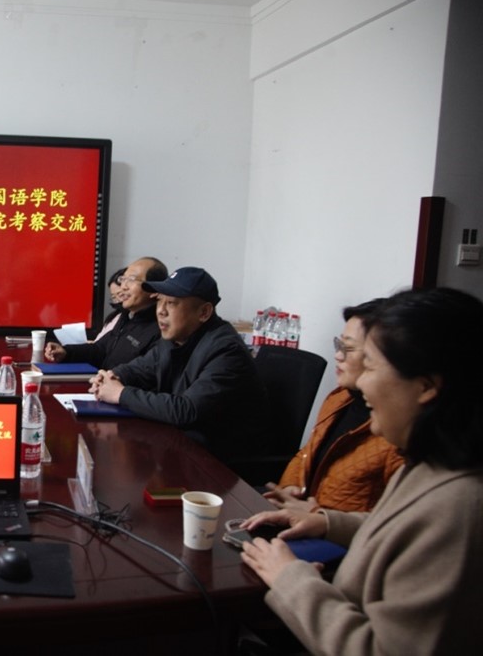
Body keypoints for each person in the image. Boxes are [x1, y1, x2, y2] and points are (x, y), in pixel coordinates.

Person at [240, 287, 483, 655]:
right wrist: (327, 522)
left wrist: (291, 580)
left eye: (369, 365)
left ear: (426, 387)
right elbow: (399, 530)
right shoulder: (429, 464)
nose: (361, 382)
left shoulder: (459, 508)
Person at [90, 266, 267, 463]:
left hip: (221, 462)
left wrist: (120, 394)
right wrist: (111, 376)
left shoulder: (226, 350)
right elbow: (140, 369)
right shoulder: (175, 338)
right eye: (159, 300)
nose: (160, 311)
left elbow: (187, 411)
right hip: (182, 447)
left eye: (171, 303)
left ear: (204, 312)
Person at [264, 298, 403, 512]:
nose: (338, 355)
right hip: (298, 515)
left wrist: (318, 517)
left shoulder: (397, 433)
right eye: (339, 345)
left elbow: (389, 522)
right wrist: (290, 487)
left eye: (349, 348)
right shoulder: (339, 398)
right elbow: (306, 453)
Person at [44, 257, 167, 369]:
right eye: (123, 279)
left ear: (154, 289)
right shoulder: (127, 316)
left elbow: (144, 373)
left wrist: (111, 379)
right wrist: (66, 352)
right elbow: (100, 349)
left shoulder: (161, 329)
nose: (123, 287)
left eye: (131, 279)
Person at [93, 267, 127, 341]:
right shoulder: (115, 316)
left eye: (120, 294)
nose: (118, 300)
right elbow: (101, 343)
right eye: (114, 297)